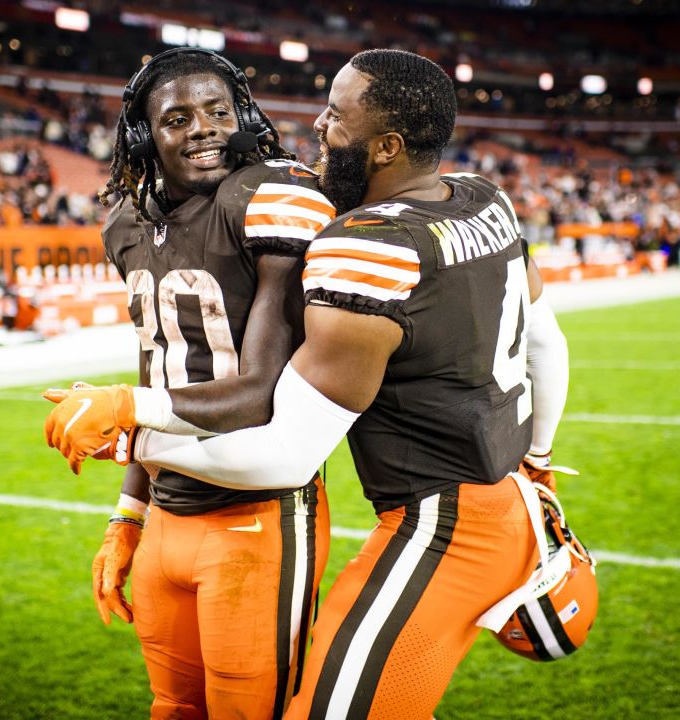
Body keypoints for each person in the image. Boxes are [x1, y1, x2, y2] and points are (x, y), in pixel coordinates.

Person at [45, 49, 574, 718]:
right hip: (501, 497)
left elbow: (282, 450)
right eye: (178, 118)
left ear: (384, 146)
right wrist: (541, 460)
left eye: (335, 115)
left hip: (426, 524)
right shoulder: (481, 197)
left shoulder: (357, 242)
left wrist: (128, 425)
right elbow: (546, 342)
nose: (317, 126)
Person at [44, 48, 336, 719]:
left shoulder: (267, 197)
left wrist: (123, 408)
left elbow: (259, 388)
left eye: (217, 111)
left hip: (257, 512)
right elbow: (163, 364)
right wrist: (128, 515)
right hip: (170, 516)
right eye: (177, 118)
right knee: (174, 709)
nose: (203, 128)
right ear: (145, 136)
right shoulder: (126, 222)